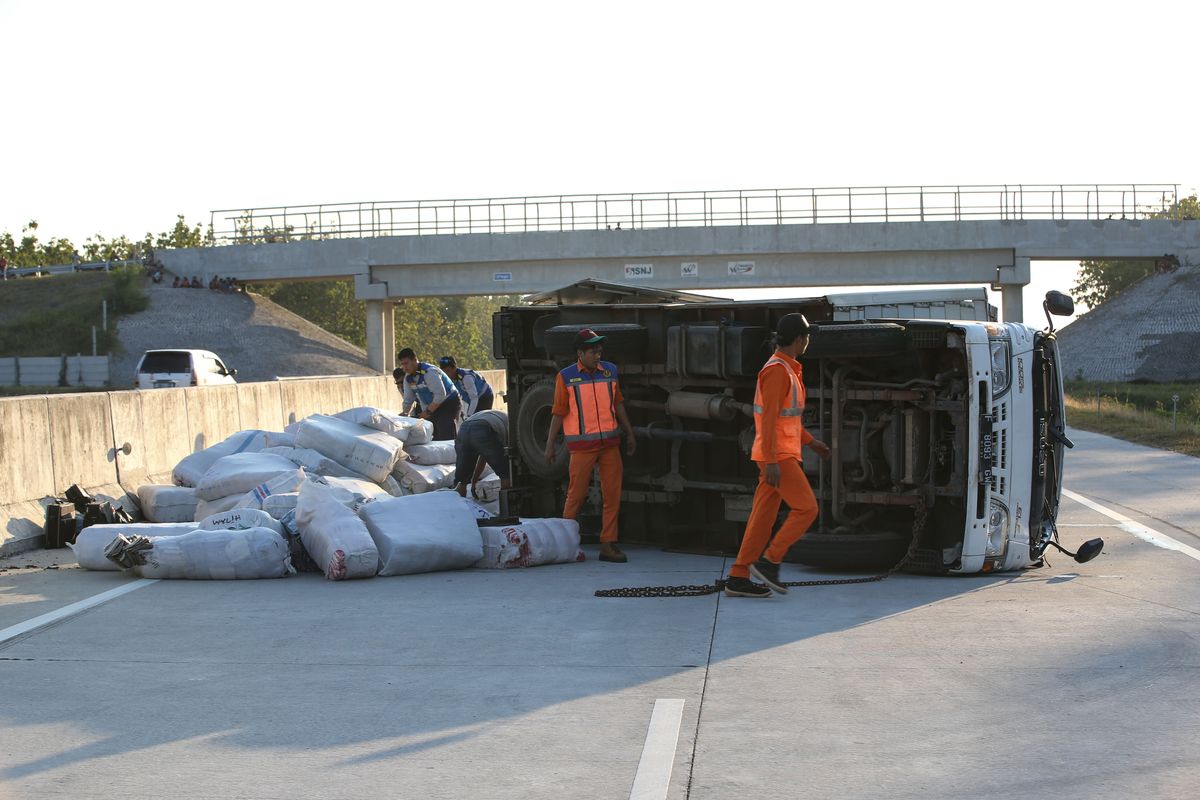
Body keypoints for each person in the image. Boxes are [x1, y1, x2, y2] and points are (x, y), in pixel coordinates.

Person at [724, 313, 831, 598]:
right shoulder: (777, 371)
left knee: (762, 518)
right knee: (807, 509)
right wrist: (771, 460)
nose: (808, 341)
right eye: (807, 336)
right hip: (777, 456)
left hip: (778, 453)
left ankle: (738, 575)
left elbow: (788, 418)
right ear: (799, 339)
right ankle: (770, 562)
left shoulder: (788, 369)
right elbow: (769, 420)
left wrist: (810, 442)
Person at [544, 328, 636, 563]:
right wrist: (550, 444)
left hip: (610, 445)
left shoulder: (610, 371)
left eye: (599, 351)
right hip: (582, 449)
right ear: (580, 353)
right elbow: (558, 412)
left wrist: (630, 433)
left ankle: (608, 545)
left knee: (612, 495)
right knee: (576, 495)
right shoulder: (565, 377)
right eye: (593, 351)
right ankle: (565, 545)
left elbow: (619, 404)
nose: (598, 355)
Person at [394, 348, 462, 441]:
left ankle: (453, 454)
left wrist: (427, 412)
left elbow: (440, 395)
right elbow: (408, 400)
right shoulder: (408, 378)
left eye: (406, 363)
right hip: (432, 405)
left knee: (446, 435)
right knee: (432, 435)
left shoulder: (429, 372)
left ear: (414, 360)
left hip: (449, 402)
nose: (404, 367)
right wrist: (404, 414)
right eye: (402, 364)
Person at [453, 409, 510, 498]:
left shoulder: (499, 416)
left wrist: (474, 482)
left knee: (462, 480)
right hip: (484, 426)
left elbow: (483, 456)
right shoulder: (512, 426)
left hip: (464, 428)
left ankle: (460, 507)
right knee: (506, 474)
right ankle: (508, 508)